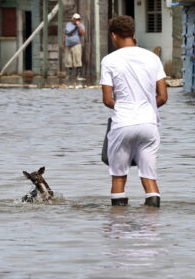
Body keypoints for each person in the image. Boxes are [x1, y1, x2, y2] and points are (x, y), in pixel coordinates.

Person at [100, 15, 168, 208]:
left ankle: (118, 228)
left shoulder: (109, 60)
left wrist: (125, 106)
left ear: (114, 35)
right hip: (149, 124)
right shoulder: (152, 58)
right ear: (133, 33)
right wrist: (145, 105)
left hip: (122, 124)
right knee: (150, 180)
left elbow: (107, 99)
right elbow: (162, 96)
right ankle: (151, 229)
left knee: (119, 178)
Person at [64, 13, 86, 81]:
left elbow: (82, 33)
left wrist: (78, 26)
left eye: (78, 19)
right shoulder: (68, 24)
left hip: (76, 44)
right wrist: (64, 42)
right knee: (68, 60)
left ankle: (78, 76)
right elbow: (66, 33)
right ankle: (68, 76)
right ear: (73, 19)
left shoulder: (81, 25)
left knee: (77, 60)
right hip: (68, 44)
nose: (77, 20)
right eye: (76, 19)